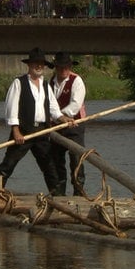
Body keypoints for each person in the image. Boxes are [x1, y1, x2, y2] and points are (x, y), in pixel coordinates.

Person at [0, 48, 72, 195]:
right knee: (9, 164)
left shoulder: (45, 85)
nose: (39, 66)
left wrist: (64, 119)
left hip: (41, 132)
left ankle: (58, 198)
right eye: (36, 63)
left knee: (49, 166)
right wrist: (15, 130)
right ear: (29, 65)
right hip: (24, 131)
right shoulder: (19, 83)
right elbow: (12, 107)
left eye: (41, 64)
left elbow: (53, 109)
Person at [49, 52, 87, 196]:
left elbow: (75, 106)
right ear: (56, 67)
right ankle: (59, 194)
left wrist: (58, 117)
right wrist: (55, 119)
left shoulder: (77, 81)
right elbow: (49, 104)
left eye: (66, 67)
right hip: (56, 127)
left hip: (74, 127)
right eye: (60, 67)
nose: (63, 70)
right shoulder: (51, 82)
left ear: (70, 67)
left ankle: (79, 193)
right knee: (57, 160)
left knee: (76, 160)